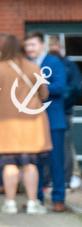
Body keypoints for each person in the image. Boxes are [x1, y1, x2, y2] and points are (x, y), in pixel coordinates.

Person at [0, 34, 51, 215]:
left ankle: (10, 203)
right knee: (30, 165)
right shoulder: (33, 67)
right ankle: (32, 203)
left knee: (9, 166)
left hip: (3, 126)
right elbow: (44, 93)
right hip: (31, 124)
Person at [24, 30, 68, 211]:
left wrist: (38, 87)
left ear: (43, 45)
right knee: (35, 161)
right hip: (32, 120)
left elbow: (60, 86)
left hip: (53, 120)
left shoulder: (54, 62)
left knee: (56, 161)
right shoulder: (25, 64)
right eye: (27, 45)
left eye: (33, 44)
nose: (29, 48)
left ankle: (58, 199)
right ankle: (37, 198)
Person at [48, 36, 82, 190]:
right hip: (51, 111)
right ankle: (55, 178)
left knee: (65, 145)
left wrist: (63, 103)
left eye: (55, 46)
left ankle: (69, 177)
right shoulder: (49, 64)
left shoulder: (68, 65)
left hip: (64, 110)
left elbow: (75, 88)